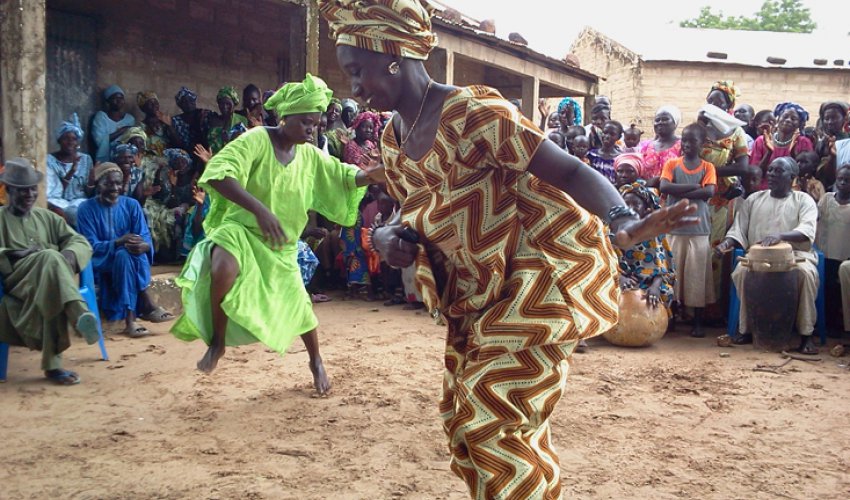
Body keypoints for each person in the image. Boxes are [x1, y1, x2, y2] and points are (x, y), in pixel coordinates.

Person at [319, 1, 696, 496]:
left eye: (356, 71)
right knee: (468, 426)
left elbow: (568, 170)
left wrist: (622, 223)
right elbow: (407, 209)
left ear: (392, 54)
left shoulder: (473, 113)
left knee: (494, 418)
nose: (355, 88)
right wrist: (387, 236)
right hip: (474, 300)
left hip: (537, 283)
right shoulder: (392, 139)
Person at [169, 73, 384, 395]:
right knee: (222, 268)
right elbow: (218, 175)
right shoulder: (254, 140)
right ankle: (217, 342)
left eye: (317, 123)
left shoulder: (311, 156)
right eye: (306, 123)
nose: (313, 130)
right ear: (285, 118)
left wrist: (379, 173)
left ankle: (316, 361)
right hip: (241, 230)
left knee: (301, 309)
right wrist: (260, 210)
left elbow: (345, 177)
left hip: (280, 245)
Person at [0, 158, 98, 385]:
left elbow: (79, 241)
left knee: (52, 272)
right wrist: (14, 254)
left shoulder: (46, 217)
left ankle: (55, 365)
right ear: (9, 191)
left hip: (47, 282)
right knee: (50, 258)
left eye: (32, 190)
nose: (29, 195)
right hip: (16, 282)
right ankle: (78, 317)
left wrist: (70, 255)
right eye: (22, 191)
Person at [715, 157, 820, 354]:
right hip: (757, 256)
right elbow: (738, 230)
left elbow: (807, 230)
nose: (771, 174)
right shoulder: (754, 199)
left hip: (795, 255)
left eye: (778, 171)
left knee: (805, 275)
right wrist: (725, 244)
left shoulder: (803, 200)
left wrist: (780, 236)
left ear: (792, 178)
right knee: (741, 272)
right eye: (770, 170)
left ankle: (806, 335)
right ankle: (747, 329)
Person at [76, 163, 174, 338]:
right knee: (122, 254)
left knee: (126, 255)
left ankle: (131, 317)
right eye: (109, 184)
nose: (115, 188)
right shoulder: (86, 209)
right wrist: (117, 242)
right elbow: (89, 246)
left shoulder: (132, 205)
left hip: (129, 260)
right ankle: (143, 306)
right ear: (98, 184)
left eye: (118, 184)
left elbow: (144, 236)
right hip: (102, 263)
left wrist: (144, 246)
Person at [660, 123, 717, 338]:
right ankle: (672, 317)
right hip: (674, 228)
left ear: (701, 144)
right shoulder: (672, 164)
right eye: (684, 140)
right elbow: (664, 187)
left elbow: (709, 191)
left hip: (698, 229)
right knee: (673, 274)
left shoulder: (707, 167)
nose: (686, 144)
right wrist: (696, 189)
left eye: (692, 141)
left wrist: (681, 191)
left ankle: (697, 321)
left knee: (697, 276)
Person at [615, 182, 675, 316]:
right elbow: (605, 262)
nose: (630, 208)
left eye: (636, 204)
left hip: (648, 281)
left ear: (646, 208)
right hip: (620, 279)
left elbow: (662, 269)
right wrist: (620, 278)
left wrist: (655, 286)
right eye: (626, 204)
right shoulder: (612, 232)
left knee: (664, 291)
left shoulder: (654, 234)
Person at [815, 164, 850, 333]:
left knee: (838, 291)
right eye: (840, 179)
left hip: (844, 255)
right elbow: (816, 218)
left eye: (847, 180)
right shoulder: (827, 199)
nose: (843, 183)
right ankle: (823, 323)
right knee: (825, 287)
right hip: (825, 253)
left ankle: (837, 325)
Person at [751, 102, 814, 191]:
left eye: (794, 118)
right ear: (778, 119)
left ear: (799, 124)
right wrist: (769, 152)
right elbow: (755, 174)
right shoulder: (762, 140)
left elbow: (803, 173)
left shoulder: (804, 142)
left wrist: (793, 153)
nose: (788, 120)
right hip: (763, 192)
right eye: (785, 116)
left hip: (790, 192)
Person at [144, 148, 195, 258]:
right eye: (177, 161)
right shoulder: (167, 175)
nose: (180, 164)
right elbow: (166, 199)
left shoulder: (192, 176)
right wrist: (173, 186)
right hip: (170, 206)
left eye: (183, 161)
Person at [46, 113, 95, 226]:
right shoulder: (49, 160)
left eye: (74, 139)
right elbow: (54, 191)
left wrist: (91, 182)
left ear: (78, 143)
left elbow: (89, 193)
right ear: (59, 140)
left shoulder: (86, 159)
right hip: (57, 202)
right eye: (66, 138)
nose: (70, 142)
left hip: (79, 201)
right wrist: (72, 171)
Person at [91, 85, 137, 163]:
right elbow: (100, 141)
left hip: (125, 159)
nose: (119, 101)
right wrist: (122, 131)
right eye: (115, 98)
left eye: (121, 98)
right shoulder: (101, 117)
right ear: (108, 101)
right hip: (106, 159)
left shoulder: (129, 119)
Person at [639, 105, 682, 188]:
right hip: (647, 194)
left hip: (673, 193)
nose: (660, 122)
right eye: (657, 120)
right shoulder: (645, 146)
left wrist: (659, 180)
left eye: (665, 119)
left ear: (675, 123)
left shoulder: (682, 145)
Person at [171, 87, 211, 165]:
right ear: (180, 105)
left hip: (205, 152)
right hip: (185, 154)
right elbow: (176, 142)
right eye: (184, 102)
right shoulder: (176, 121)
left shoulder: (205, 114)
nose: (188, 104)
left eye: (190, 100)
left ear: (194, 101)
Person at [815, 101, 849, 188]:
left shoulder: (847, 142)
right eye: (826, 118)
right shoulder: (820, 143)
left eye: (834, 118)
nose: (830, 122)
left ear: (844, 119)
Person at [207, 86, 250, 155]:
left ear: (234, 104)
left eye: (228, 103)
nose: (224, 107)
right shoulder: (213, 121)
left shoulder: (241, 120)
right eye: (221, 103)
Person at [137, 91, 180, 158]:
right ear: (143, 108)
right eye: (150, 103)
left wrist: (169, 126)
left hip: (168, 158)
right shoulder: (141, 126)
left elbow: (178, 143)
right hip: (150, 160)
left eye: (156, 103)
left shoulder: (166, 122)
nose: (154, 105)